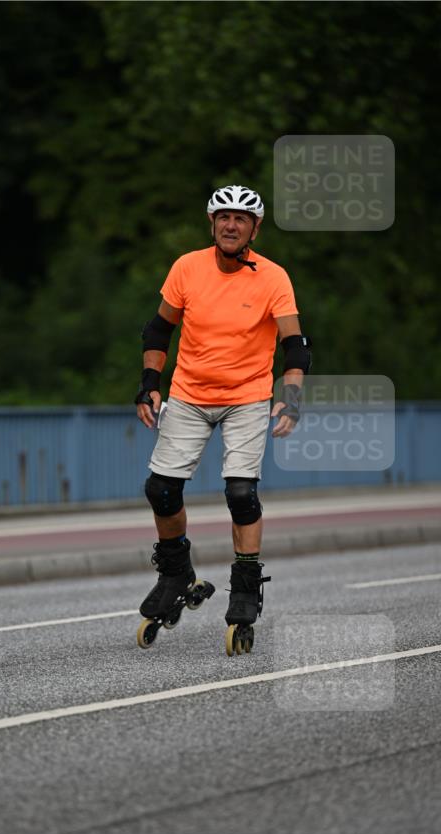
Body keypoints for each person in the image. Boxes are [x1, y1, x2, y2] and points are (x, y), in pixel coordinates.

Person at [134, 184, 311, 651]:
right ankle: (176, 573)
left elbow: (295, 344)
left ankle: (246, 588)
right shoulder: (186, 267)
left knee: (240, 492)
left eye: (241, 219)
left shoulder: (273, 277)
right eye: (223, 217)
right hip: (189, 394)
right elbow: (159, 329)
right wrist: (149, 386)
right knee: (160, 488)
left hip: (247, 397)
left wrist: (289, 397)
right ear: (212, 223)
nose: (231, 225)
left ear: (255, 228)